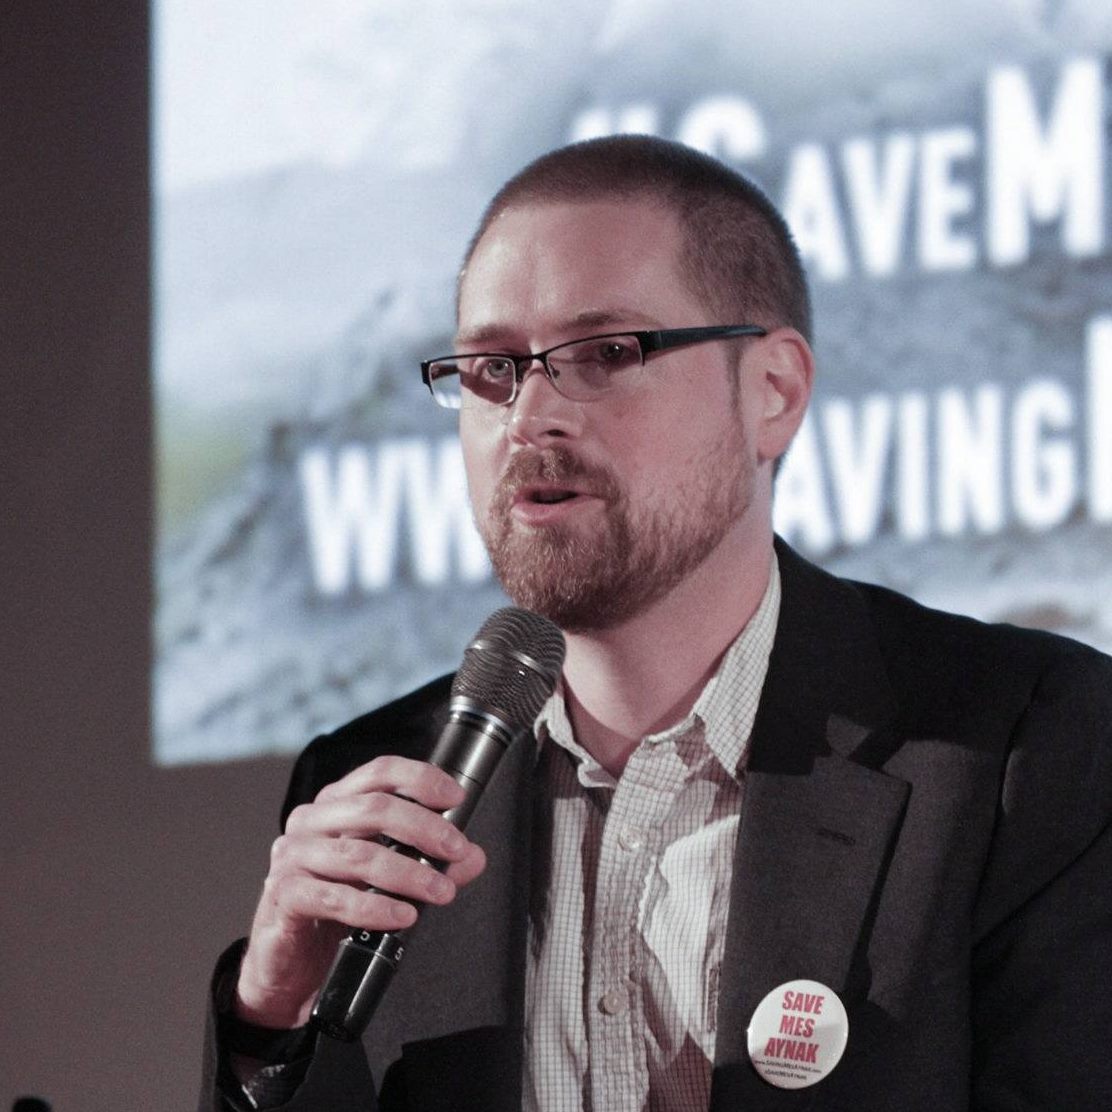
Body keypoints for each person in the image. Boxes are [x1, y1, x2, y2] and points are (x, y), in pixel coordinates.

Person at [200, 135, 1112, 1111]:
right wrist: (270, 1009)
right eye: (493, 367)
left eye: (604, 354)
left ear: (772, 392)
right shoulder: (373, 784)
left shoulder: (1020, 744)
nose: (530, 416)